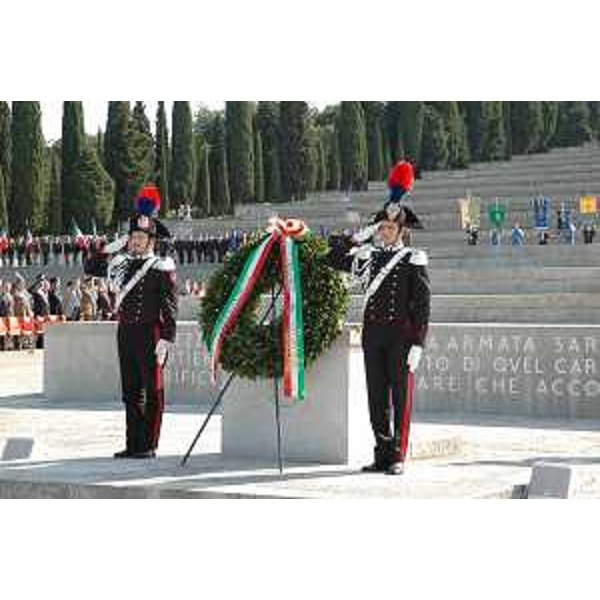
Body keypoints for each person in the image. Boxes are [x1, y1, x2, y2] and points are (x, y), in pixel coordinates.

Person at [327, 161, 430, 475]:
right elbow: (332, 257)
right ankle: (382, 453)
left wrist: (418, 344)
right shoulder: (368, 257)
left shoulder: (413, 258)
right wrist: (364, 234)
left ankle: (398, 455)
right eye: (381, 227)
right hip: (373, 336)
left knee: (400, 397)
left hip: (401, 338)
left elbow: (422, 305)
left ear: (401, 230)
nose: (385, 232)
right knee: (376, 399)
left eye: (389, 227)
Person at [84, 184, 177, 459]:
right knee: (130, 391)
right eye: (133, 236)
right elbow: (91, 268)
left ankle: (149, 444)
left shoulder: (162, 266)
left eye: (141, 237)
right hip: (125, 333)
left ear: (151, 241)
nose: (136, 241)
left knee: (154, 390)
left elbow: (170, 306)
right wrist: (110, 248)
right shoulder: (120, 262)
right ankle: (133, 444)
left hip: (151, 333)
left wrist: (167, 337)